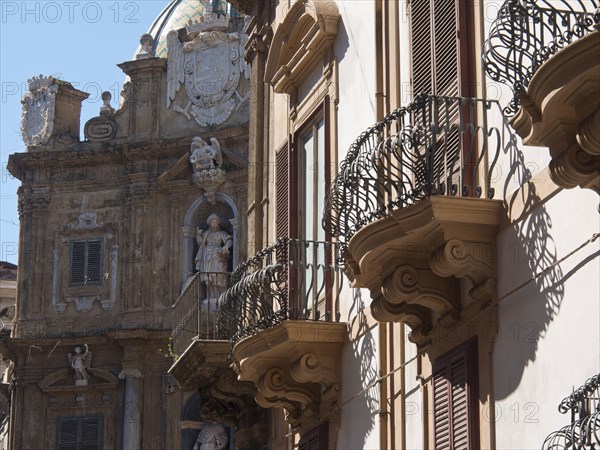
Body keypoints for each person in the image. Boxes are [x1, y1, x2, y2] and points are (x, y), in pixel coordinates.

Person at [195, 214, 232, 300]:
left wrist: (225, 247)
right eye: (212, 221)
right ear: (210, 223)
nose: (214, 223)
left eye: (216, 221)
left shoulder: (222, 233)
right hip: (207, 256)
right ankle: (209, 297)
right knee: (208, 278)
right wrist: (198, 235)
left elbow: (229, 240)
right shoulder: (207, 233)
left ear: (218, 223)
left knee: (218, 275)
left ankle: (221, 297)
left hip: (217, 255)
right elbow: (201, 243)